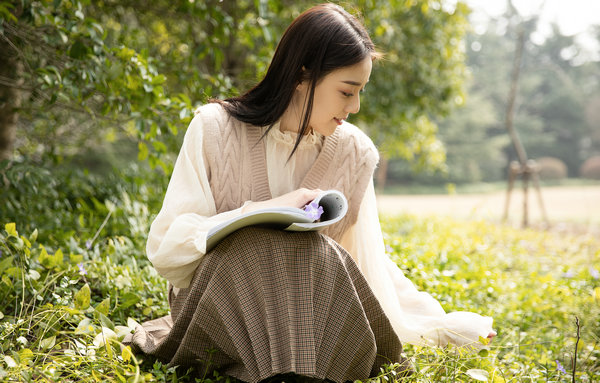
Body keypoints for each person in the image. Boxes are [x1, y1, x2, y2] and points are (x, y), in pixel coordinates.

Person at [125, 3, 494, 382]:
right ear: (303, 74)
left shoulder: (355, 152)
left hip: (309, 309)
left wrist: (440, 325)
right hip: (225, 302)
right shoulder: (215, 129)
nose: (355, 106)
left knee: (315, 253)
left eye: (360, 92)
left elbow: (364, 261)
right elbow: (169, 250)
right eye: (347, 91)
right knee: (259, 247)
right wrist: (257, 211)